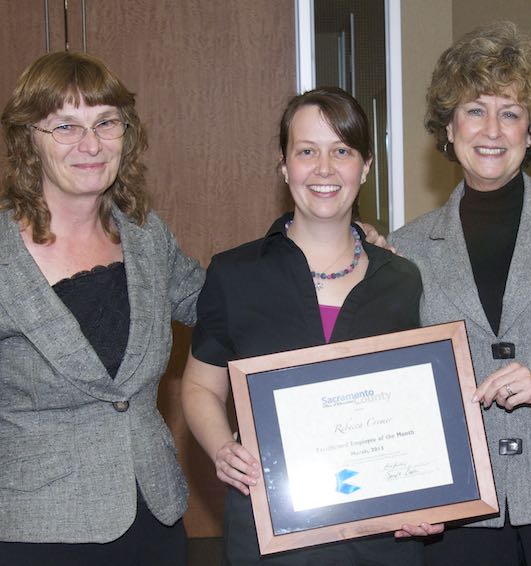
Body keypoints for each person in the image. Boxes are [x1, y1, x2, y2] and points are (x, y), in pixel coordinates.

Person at [182, 86, 443, 566]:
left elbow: (418, 412)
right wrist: (222, 448)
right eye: (307, 151)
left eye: (341, 151)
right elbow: (200, 385)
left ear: (364, 167)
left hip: (382, 538)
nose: (324, 168)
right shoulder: (234, 274)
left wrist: (425, 494)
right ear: (284, 166)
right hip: (270, 530)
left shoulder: (403, 279)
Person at [0, 51, 205, 565]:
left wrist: (323, 250)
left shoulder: (145, 235)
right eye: (65, 126)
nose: (90, 144)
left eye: (105, 122)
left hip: (154, 520)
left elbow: (222, 304)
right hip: (37, 531)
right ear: (30, 140)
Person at [387, 21, 531, 566]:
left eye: (510, 113)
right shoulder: (403, 250)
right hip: (457, 512)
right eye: (474, 110)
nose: (492, 129)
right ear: (448, 128)